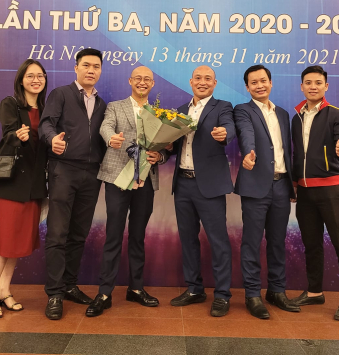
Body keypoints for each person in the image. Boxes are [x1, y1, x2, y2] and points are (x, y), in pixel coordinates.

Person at [85, 66, 167, 316]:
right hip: (118, 178)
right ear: (130, 81)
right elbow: (105, 127)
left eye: (147, 79)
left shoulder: (160, 113)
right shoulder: (115, 107)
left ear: (152, 84)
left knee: (138, 236)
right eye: (138, 78)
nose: (142, 82)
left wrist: (159, 156)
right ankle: (104, 293)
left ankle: (136, 288)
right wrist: (111, 138)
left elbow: (166, 148)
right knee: (113, 235)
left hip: (146, 180)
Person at [40, 48, 107, 320]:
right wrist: (52, 140)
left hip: (92, 174)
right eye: (86, 65)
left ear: (100, 71)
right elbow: (46, 124)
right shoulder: (61, 94)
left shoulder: (102, 104)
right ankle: (55, 293)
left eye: (96, 66)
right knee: (58, 233)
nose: (91, 70)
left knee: (79, 234)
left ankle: (69, 285)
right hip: (63, 171)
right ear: (76, 68)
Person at [290, 65, 339, 321]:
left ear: (326, 86)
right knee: (312, 245)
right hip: (305, 193)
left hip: (332, 191)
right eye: (308, 82)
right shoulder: (296, 117)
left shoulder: (336, 114)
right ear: (301, 86)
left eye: (318, 82)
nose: (313, 87)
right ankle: (314, 292)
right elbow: (296, 154)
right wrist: (294, 183)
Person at [166, 66, 236, 317]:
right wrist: (164, 147)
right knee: (188, 239)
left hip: (210, 185)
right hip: (183, 184)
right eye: (198, 78)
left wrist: (224, 134)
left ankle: (223, 294)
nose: (202, 82)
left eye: (208, 79)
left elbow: (229, 128)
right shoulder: (179, 111)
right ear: (191, 82)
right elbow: (174, 146)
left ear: (215, 83)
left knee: (218, 241)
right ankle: (194, 289)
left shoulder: (223, 107)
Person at [0, 59, 48, 319]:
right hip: (11, 184)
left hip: (34, 186)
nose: (36, 80)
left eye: (40, 75)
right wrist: (17, 136)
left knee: (18, 241)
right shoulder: (10, 103)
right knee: (3, 241)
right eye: (30, 75)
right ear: (21, 80)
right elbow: (8, 133)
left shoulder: (47, 109)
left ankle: (4, 290)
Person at [233, 65, 300, 319]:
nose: (259, 85)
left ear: (271, 83)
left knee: (277, 242)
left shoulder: (283, 113)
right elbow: (246, 133)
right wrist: (248, 153)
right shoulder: (243, 110)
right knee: (251, 242)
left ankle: (277, 291)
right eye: (254, 82)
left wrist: (292, 181)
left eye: (263, 81)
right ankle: (252, 295)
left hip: (281, 185)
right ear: (247, 87)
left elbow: (287, 150)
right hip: (255, 185)